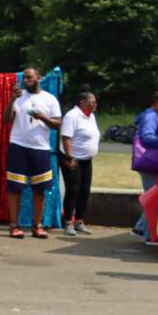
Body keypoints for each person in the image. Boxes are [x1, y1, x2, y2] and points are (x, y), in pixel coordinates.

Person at [3, 68, 62, 238]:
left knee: (40, 189)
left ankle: (37, 225)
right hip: (18, 146)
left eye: (29, 77)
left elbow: (58, 124)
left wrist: (42, 117)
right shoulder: (19, 97)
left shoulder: (50, 99)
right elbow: (6, 120)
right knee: (15, 188)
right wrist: (12, 99)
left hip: (41, 149)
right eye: (24, 77)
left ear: (38, 78)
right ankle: (14, 226)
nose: (26, 80)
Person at [132, 89, 158, 242]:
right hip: (149, 163)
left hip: (150, 163)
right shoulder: (150, 117)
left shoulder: (154, 115)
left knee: (153, 196)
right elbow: (147, 138)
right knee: (153, 199)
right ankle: (148, 235)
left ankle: (141, 228)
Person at [59, 90, 100, 237]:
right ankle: (68, 223)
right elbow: (66, 137)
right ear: (82, 102)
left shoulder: (91, 117)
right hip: (73, 159)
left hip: (86, 160)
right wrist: (69, 158)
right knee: (73, 191)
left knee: (84, 191)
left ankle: (79, 221)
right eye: (92, 101)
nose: (95, 104)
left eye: (95, 102)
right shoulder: (72, 116)